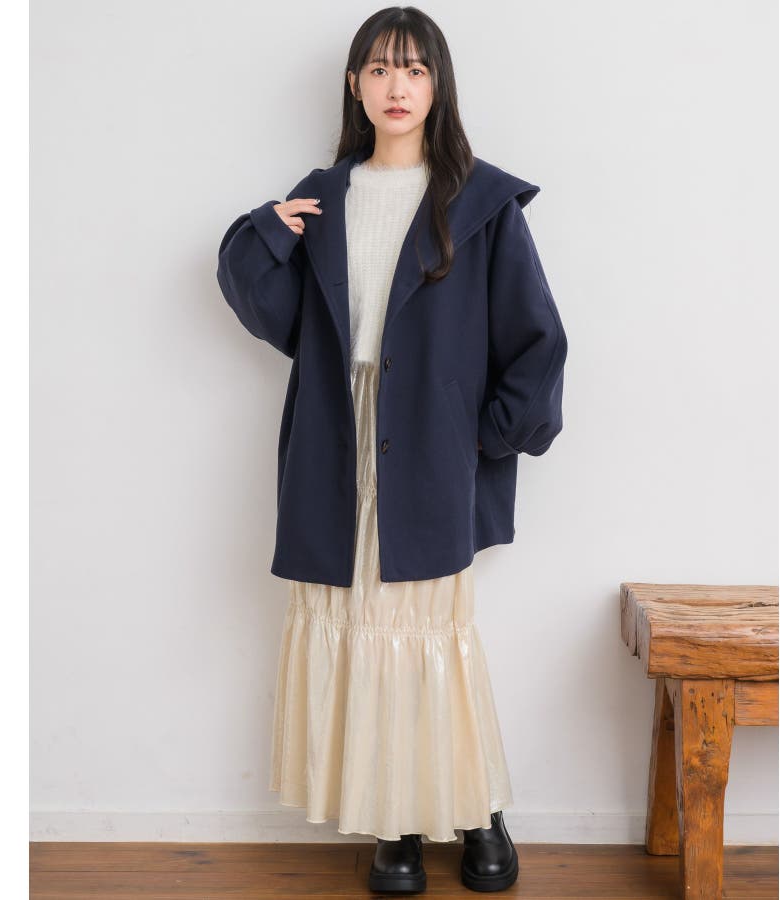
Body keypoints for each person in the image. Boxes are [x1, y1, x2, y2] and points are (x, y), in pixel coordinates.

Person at [216, 6, 567, 893]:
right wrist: (268, 231)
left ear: (437, 85)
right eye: (378, 69)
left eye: (413, 69)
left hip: (430, 447)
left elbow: (537, 341)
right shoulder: (323, 197)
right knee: (361, 634)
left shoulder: (478, 203)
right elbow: (270, 313)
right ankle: (396, 824)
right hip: (338, 441)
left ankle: (478, 811)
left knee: (429, 633)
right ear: (354, 86)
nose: (396, 86)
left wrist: (481, 441)